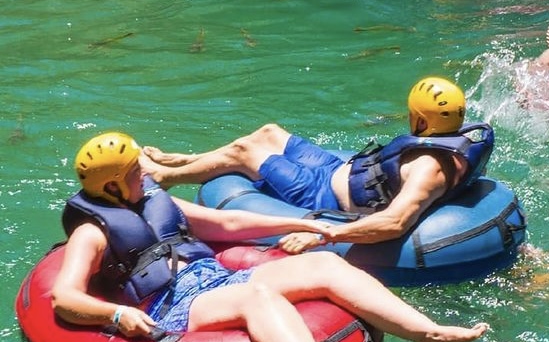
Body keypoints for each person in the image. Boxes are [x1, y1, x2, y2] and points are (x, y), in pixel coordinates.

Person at [53, 132, 489, 342]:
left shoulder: (153, 202)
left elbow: (226, 225)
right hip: (172, 305)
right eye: (135, 172)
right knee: (256, 298)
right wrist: (115, 316)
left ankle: (428, 335)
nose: (146, 174)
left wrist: (301, 224)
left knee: (326, 265)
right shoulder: (93, 232)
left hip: (211, 278)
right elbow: (64, 299)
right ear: (111, 187)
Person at [139, 77, 495, 255]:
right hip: (340, 169)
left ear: (419, 121)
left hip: (323, 192)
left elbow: (396, 222)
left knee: (247, 152)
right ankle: (189, 160)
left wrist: (326, 233)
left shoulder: (427, 168)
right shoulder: (454, 139)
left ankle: (166, 176)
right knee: (269, 132)